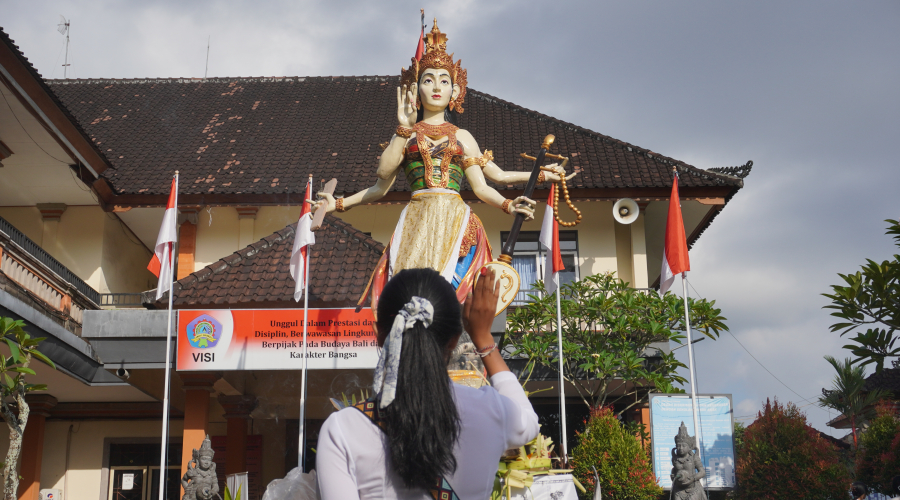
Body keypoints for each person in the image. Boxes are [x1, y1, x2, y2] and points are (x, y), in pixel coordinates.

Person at [309, 20, 572, 311]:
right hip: (417, 221)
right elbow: (381, 181)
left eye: (444, 80)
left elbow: (488, 181)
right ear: (415, 89)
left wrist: (524, 190)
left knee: (450, 293)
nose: (436, 87)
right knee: (412, 291)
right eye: (428, 79)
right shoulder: (406, 135)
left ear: (455, 90)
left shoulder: (462, 137)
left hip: (455, 219)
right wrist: (340, 203)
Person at [316, 267, 540, 499]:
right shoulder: (492, 410)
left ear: (380, 336)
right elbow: (529, 421)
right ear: (454, 340)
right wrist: (483, 336)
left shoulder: (342, 430)